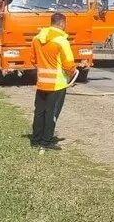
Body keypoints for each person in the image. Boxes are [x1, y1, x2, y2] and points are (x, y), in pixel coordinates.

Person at [30, 13, 77, 152]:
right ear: (62, 23)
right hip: (57, 84)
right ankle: (47, 141)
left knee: (39, 112)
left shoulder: (37, 39)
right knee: (52, 113)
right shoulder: (62, 41)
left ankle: (36, 139)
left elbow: (33, 60)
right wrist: (73, 73)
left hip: (42, 82)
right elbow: (68, 65)